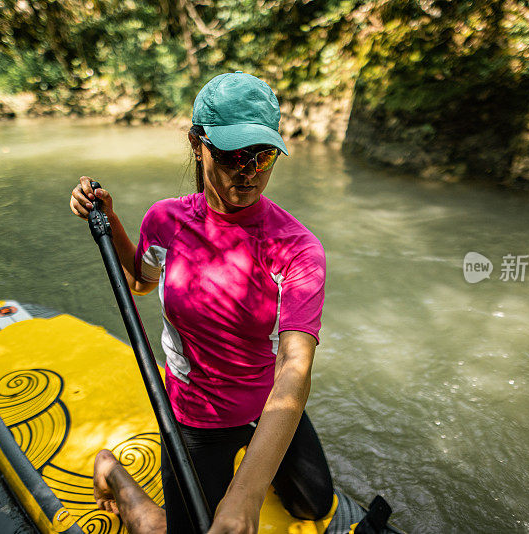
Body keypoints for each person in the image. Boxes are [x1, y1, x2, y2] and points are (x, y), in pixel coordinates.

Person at [70, 72, 334, 533]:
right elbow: (140, 284)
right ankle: (113, 472)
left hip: (266, 404)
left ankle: (244, 474)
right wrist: (109, 220)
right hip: (197, 414)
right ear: (197, 144)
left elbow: (296, 366)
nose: (247, 172)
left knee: (315, 505)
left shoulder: (297, 247)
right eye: (231, 155)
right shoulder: (166, 221)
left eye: (262, 155)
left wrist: (246, 495)